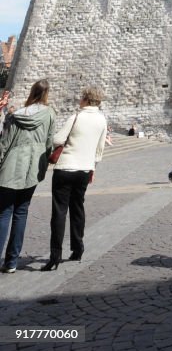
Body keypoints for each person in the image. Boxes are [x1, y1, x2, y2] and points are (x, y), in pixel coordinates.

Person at [43, 86, 107, 270]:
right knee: (78, 208)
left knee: (59, 211)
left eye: (81, 98)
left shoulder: (76, 117)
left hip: (65, 168)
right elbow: (99, 150)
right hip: (84, 170)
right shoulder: (102, 120)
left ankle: (55, 256)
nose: (79, 100)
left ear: (86, 100)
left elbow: (58, 140)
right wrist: (92, 168)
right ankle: (78, 249)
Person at [0, 79, 55, 273]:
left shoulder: (15, 116)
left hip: (10, 167)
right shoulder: (49, 114)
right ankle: (12, 262)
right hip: (32, 169)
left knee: (4, 213)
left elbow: (4, 144)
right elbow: (49, 143)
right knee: (21, 212)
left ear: (32, 92)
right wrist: (44, 164)